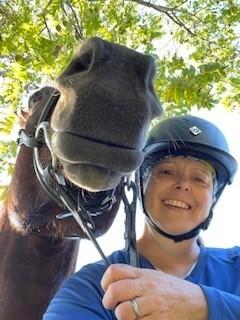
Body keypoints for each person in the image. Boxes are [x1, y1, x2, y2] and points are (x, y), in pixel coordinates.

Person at [43, 115, 240, 320]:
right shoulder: (92, 286)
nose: (183, 184)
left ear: (213, 198)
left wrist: (204, 305)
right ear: (140, 185)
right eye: (167, 171)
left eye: (199, 178)